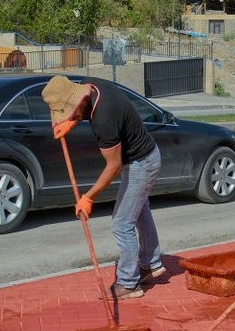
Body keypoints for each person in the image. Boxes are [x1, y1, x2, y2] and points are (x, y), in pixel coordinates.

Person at [42, 76, 165, 300]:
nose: (73, 117)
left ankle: (128, 283)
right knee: (139, 212)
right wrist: (67, 120)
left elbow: (113, 166)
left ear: (78, 102)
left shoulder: (104, 119)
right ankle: (151, 262)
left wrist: (88, 197)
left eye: (72, 113)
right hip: (145, 156)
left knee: (122, 222)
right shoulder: (93, 86)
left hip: (141, 163)